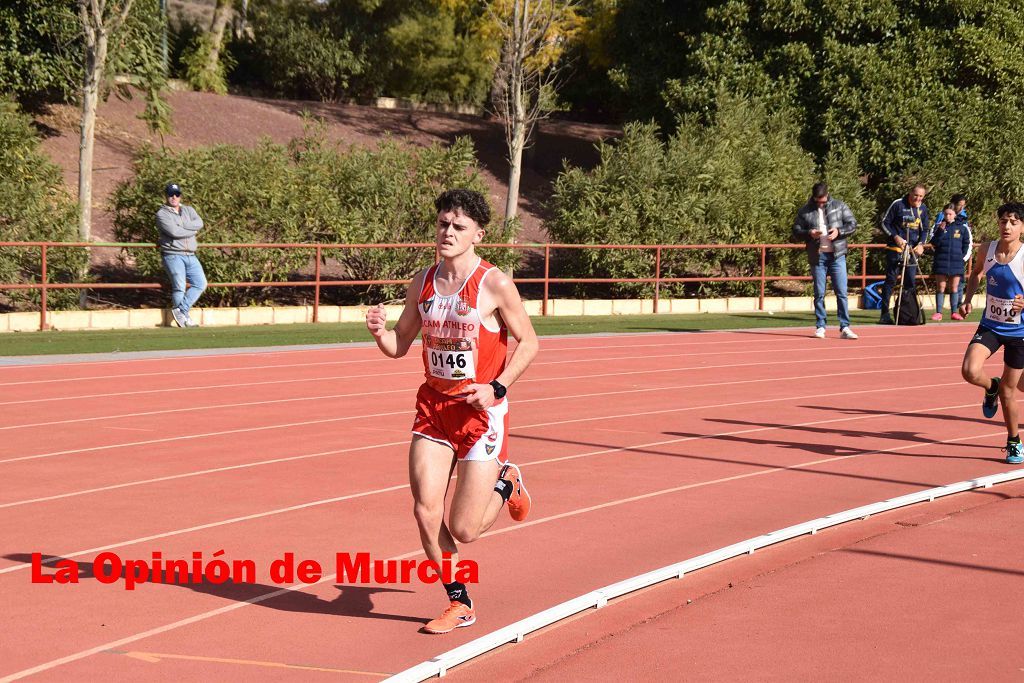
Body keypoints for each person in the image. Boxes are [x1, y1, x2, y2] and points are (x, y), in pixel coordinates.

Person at [365, 188, 540, 633]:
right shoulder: (422, 281)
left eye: (458, 227)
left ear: (478, 234)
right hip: (434, 408)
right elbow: (399, 346)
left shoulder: (494, 283)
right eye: (443, 224)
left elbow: (531, 342)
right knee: (425, 509)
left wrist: (496, 385)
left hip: (480, 414)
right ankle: (459, 602)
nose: (447, 232)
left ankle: (506, 482)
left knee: (465, 529)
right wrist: (379, 333)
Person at [959, 202, 1024, 464]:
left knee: (1013, 390)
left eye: (1013, 222)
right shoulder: (987, 249)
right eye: (1003, 221)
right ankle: (991, 386)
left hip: (1020, 331)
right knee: (970, 371)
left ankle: (1013, 442)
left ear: (1022, 226)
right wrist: (968, 298)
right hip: (991, 325)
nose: (1006, 226)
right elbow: (975, 274)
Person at [792, 182, 859, 339]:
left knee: (842, 292)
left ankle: (845, 327)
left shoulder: (840, 206)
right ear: (813, 197)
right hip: (818, 256)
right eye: (817, 201)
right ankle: (821, 326)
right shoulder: (805, 210)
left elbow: (853, 224)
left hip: (837, 255)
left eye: (823, 200)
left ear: (828, 195)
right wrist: (810, 233)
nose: (820, 203)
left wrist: (839, 231)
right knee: (819, 293)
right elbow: (795, 231)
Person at [156, 182, 206, 328]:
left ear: (180, 196)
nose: (174, 197)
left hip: (191, 254)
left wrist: (182, 226)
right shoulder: (162, 214)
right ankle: (183, 319)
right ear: (166, 196)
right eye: (170, 194)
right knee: (179, 287)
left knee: (200, 283)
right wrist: (192, 230)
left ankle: (181, 311)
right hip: (173, 255)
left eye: (177, 194)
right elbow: (175, 233)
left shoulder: (189, 210)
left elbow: (200, 223)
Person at [879, 184, 931, 324]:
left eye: (921, 196)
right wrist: (895, 237)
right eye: (916, 195)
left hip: (912, 252)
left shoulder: (923, 209)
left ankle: (908, 313)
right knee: (890, 281)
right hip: (896, 249)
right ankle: (884, 313)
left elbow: (925, 229)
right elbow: (884, 223)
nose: (918, 198)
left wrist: (921, 244)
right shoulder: (898, 204)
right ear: (910, 193)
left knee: (910, 282)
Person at [929, 204, 972, 321]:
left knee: (954, 288)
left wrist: (961, 257)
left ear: (955, 214)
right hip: (941, 262)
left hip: (956, 263)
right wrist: (940, 231)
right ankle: (938, 312)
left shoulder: (962, 228)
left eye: (950, 214)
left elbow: (966, 244)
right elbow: (933, 243)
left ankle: (954, 312)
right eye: (946, 214)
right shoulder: (938, 226)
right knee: (940, 287)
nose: (948, 216)